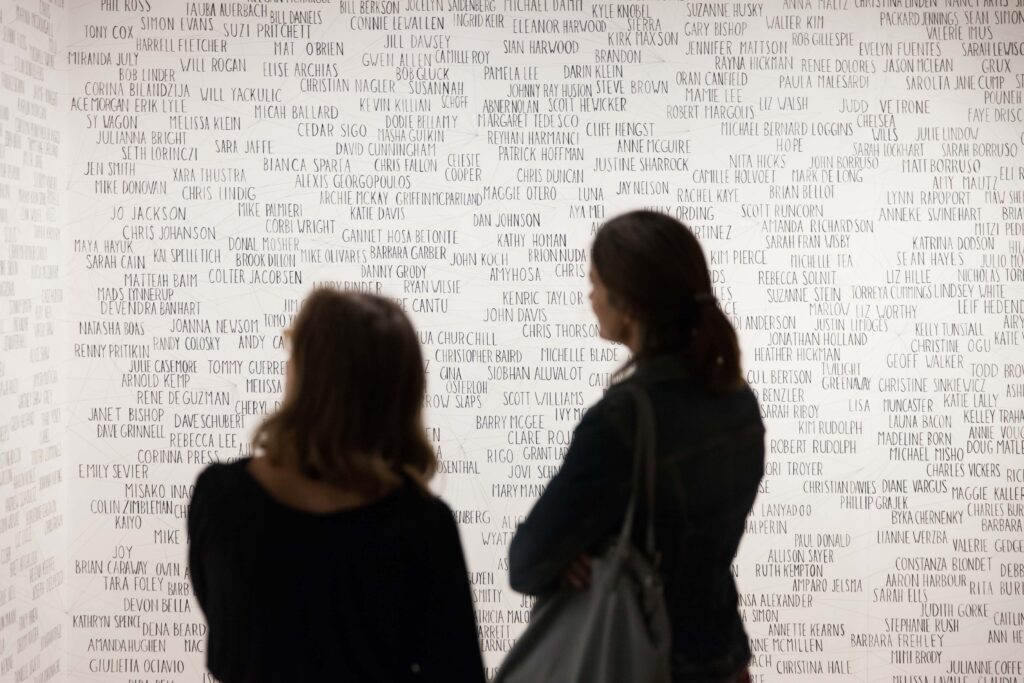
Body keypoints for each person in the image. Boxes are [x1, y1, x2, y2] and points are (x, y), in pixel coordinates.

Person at [507, 210, 765, 683]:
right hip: (726, 661)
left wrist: (578, 556)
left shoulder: (622, 421)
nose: (590, 297)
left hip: (649, 664)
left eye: (595, 283)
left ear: (625, 303)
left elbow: (526, 563)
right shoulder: (737, 400)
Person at [187, 288, 486, 683]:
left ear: (303, 375)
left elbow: (227, 644)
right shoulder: (423, 525)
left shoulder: (221, 499)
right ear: (401, 391)